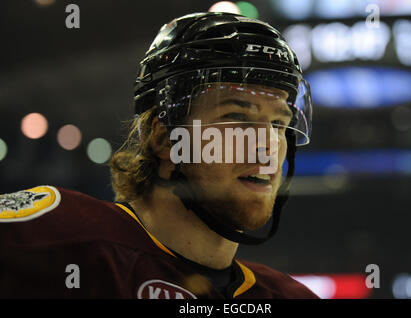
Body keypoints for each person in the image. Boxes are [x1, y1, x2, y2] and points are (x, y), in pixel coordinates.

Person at [0, 12, 316, 299]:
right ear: (163, 137)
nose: (267, 145)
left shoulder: (287, 295)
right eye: (237, 118)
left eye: (278, 124)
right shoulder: (53, 242)